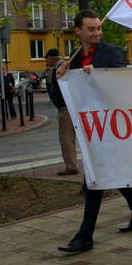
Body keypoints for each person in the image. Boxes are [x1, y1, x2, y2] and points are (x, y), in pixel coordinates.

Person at [56, 10, 132, 254]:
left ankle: (84, 237)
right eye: (91, 29)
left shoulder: (112, 52)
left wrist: (98, 76)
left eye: (99, 28)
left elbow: (119, 84)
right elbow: (62, 98)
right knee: (111, 173)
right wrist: (59, 76)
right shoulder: (74, 58)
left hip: (112, 128)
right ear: (78, 31)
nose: (97, 33)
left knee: (95, 178)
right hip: (91, 129)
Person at [46, 48, 79, 176]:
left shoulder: (62, 68)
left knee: (66, 138)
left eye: (47, 59)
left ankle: (71, 166)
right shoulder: (61, 67)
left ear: (51, 58)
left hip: (66, 107)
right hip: (68, 106)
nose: (46, 61)